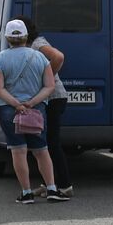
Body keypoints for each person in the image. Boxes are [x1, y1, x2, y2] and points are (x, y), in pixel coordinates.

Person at [0, 20, 58, 205]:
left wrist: (16, 104)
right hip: (36, 110)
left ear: (7, 37)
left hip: (9, 110)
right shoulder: (39, 58)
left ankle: (27, 193)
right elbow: (50, 86)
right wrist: (31, 103)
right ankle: (52, 189)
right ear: (26, 36)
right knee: (41, 150)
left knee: (18, 152)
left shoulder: (1, 58)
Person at [17, 16, 72, 201]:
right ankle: (50, 184)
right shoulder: (29, 46)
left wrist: (45, 78)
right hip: (49, 98)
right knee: (43, 144)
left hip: (54, 97)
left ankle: (64, 186)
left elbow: (58, 56)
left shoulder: (37, 44)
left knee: (51, 143)